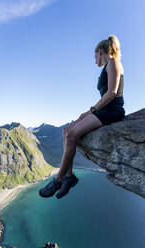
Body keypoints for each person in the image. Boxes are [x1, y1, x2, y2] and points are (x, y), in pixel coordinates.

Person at [39, 34, 125, 199]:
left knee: (72, 135)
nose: (94, 60)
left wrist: (91, 111)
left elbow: (112, 93)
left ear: (100, 51)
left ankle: (58, 180)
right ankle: (69, 177)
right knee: (66, 131)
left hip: (112, 110)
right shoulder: (108, 66)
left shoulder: (113, 62)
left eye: (95, 56)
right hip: (106, 109)